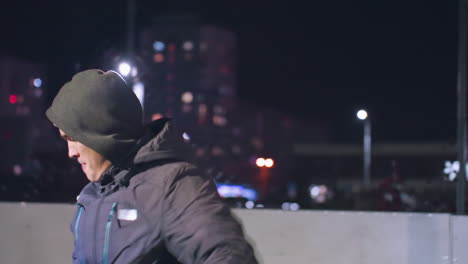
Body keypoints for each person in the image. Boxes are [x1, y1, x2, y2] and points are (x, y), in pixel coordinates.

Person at [46, 69, 258, 264]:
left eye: (73, 138)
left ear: (100, 132)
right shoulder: (90, 198)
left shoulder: (172, 185)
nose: (70, 153)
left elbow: (229, 256)